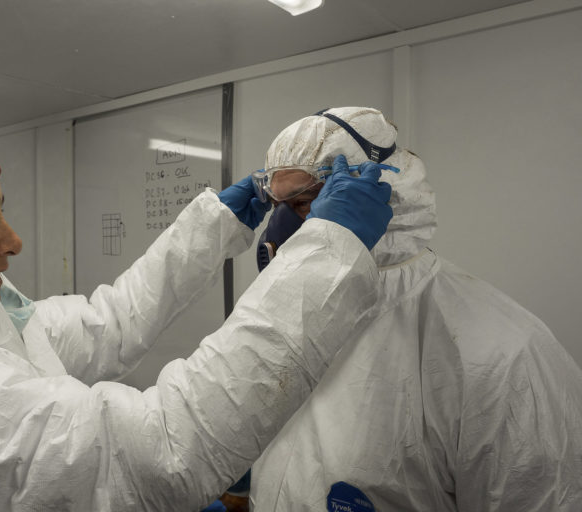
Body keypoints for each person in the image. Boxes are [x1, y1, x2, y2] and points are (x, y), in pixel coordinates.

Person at [0, 109, 393, 511]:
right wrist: (328, 254)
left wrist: (215, 227)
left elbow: (112, 322)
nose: (13, 241)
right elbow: (162, 450)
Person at [246, 106, 582, 511]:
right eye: (278, 203)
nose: (280, 230)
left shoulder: (504, 354)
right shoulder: (283, 319)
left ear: (386, 194)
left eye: (306, 201)